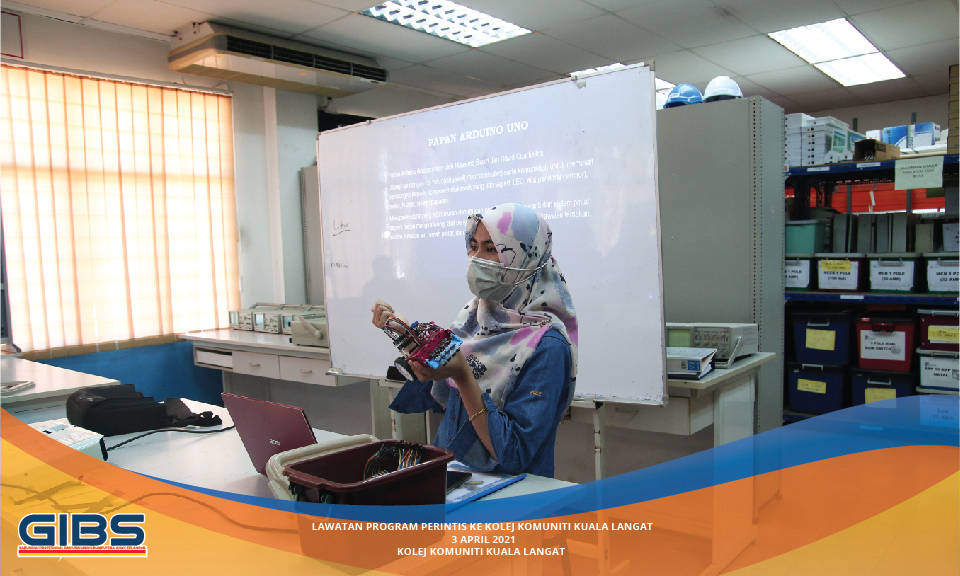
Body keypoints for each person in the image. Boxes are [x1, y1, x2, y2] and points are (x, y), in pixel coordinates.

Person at [371, 203, 577, 477]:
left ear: (525, 258)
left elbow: (515, 455)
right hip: (454, 476)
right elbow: (441, 392)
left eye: (491, 249)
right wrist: (409, 339)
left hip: (512, 493)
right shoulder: (474, 316)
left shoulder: (547, 346)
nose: (477, 259)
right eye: (473, 246)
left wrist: (464, 377)